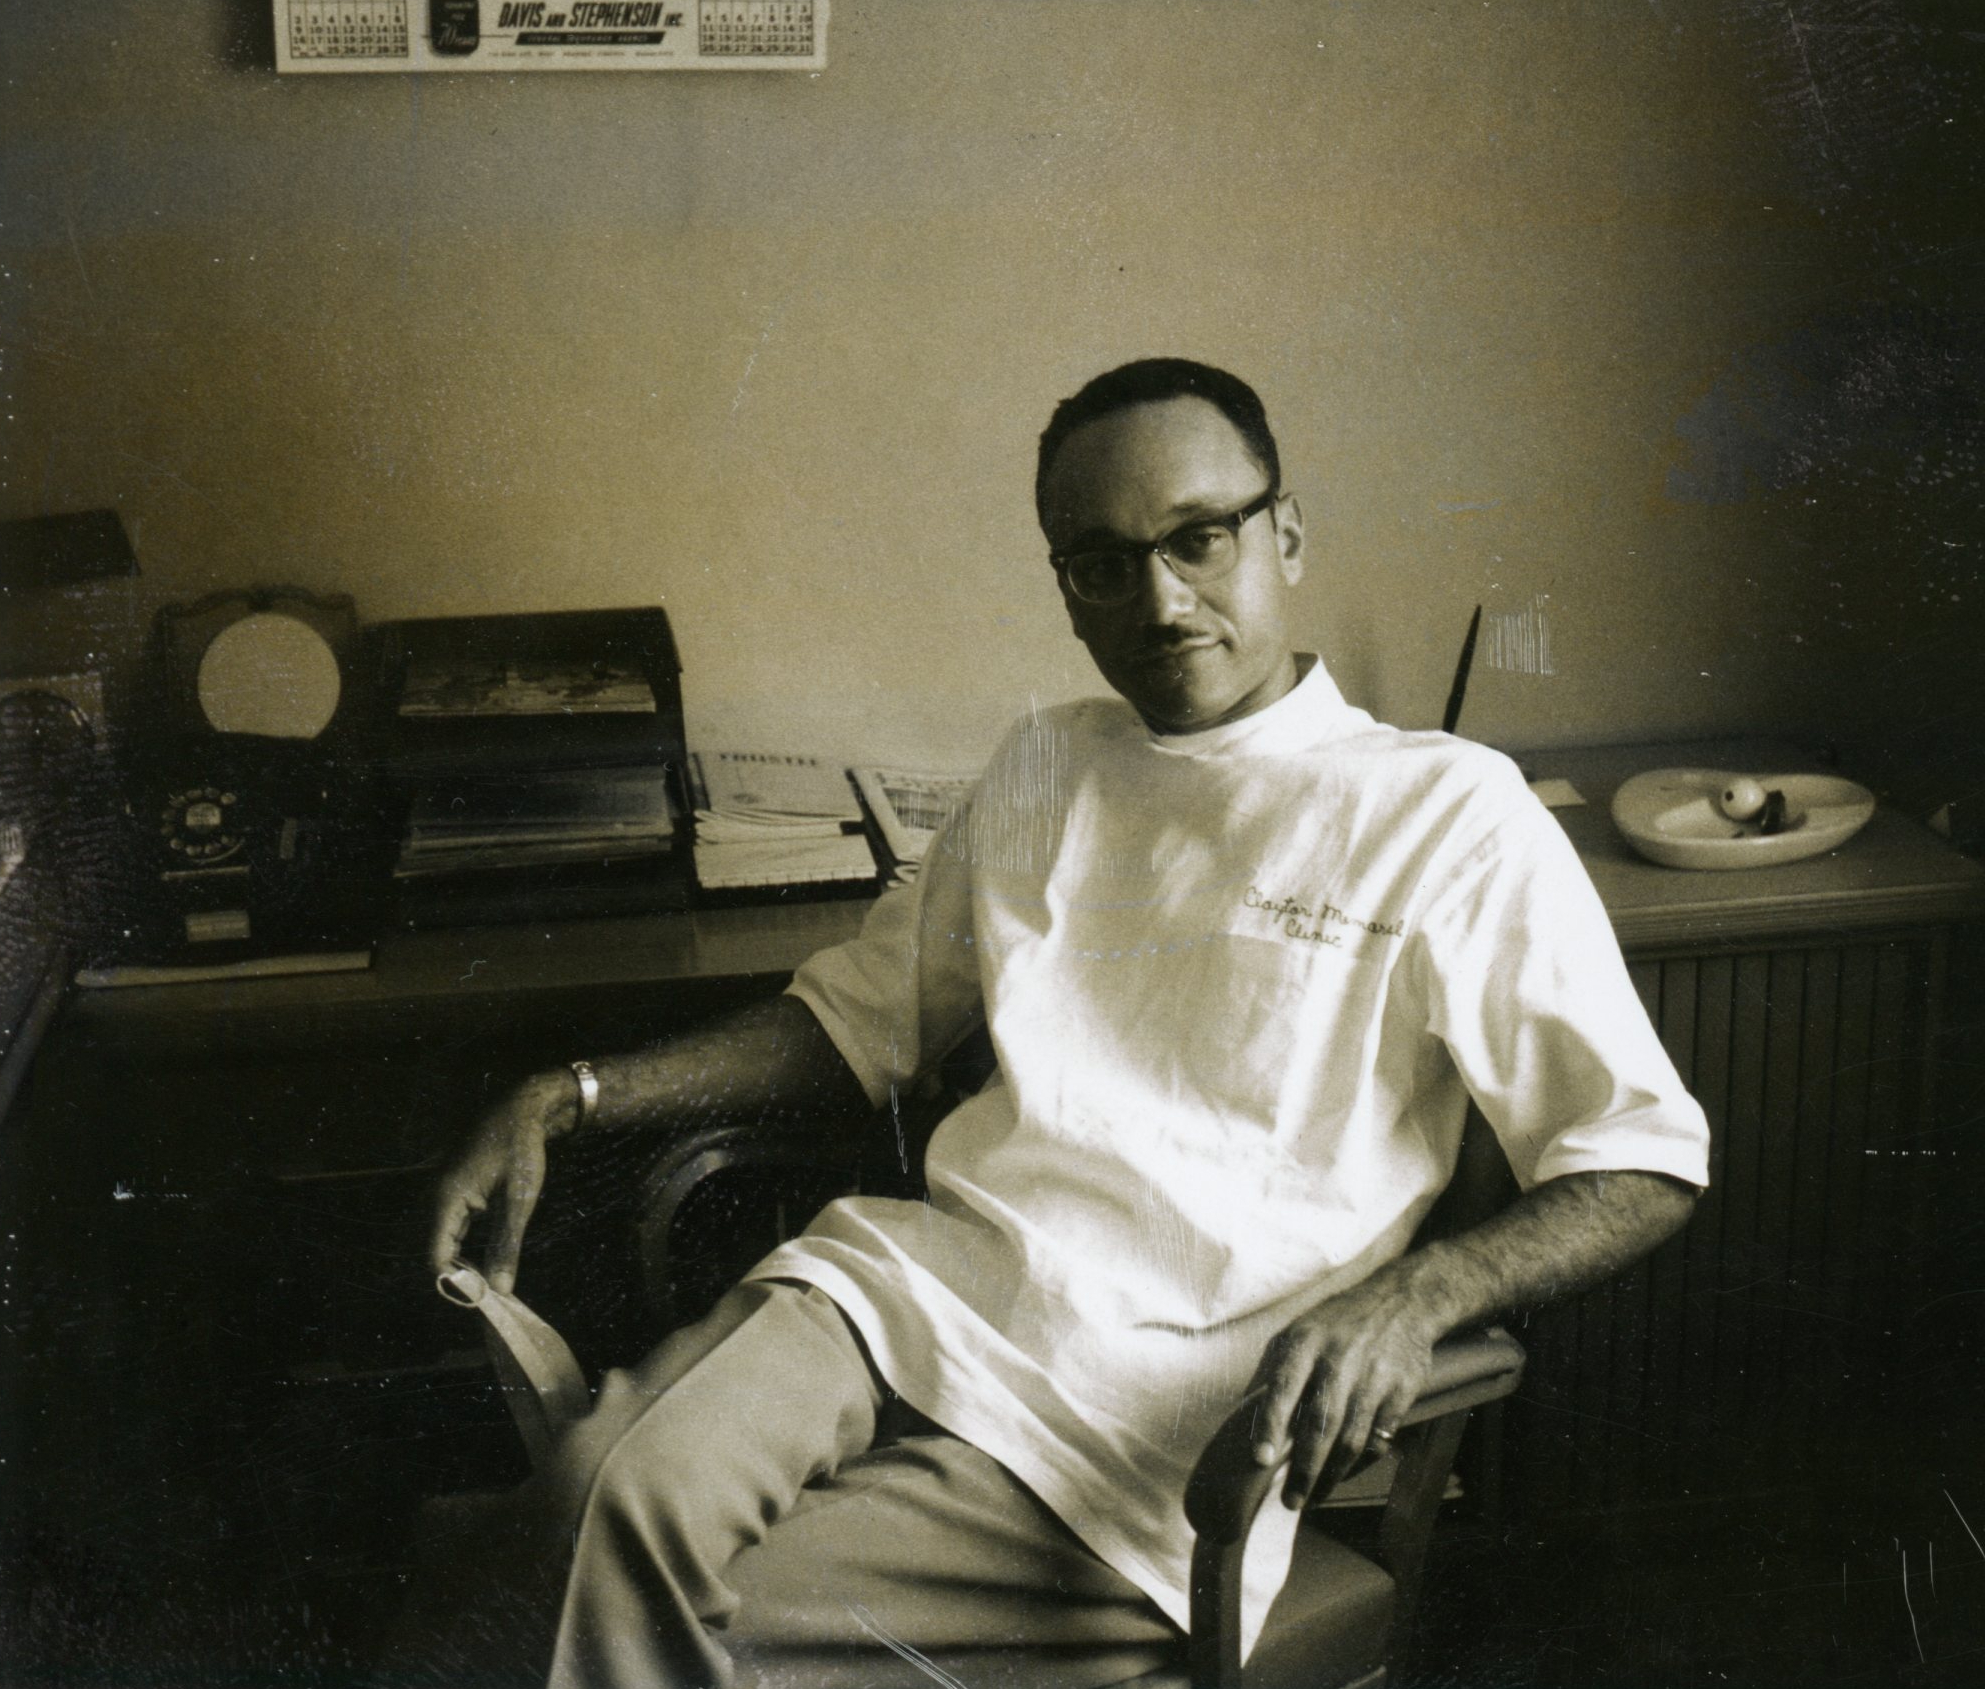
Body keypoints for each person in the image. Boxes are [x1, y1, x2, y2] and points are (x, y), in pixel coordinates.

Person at [408, 358, 1710, 1688]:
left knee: (590, 1622)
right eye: (1100, 562)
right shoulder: (1045, 761)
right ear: (1065, 585)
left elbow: (1640, 1159)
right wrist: (565, 1095)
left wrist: (1413, 1296)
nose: (1158, 598)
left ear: (1287, 533)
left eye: (1199, 538)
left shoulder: (1447, 811)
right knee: (588, 1521)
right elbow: (849, 1025)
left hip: (1119, 1429)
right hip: (887, 1292)